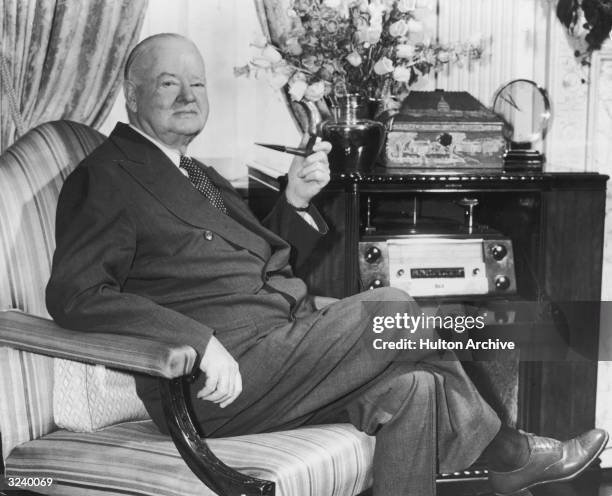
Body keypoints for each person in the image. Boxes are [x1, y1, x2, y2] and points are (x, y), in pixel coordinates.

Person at [46, 33, 607, 496]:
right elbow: (76, 295)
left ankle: (502, 456)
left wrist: (292, 200)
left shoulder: (195, 173)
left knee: (413, 390)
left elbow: (253, 260)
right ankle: (506, 450)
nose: (188, 95)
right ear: (132, 95)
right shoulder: (106, 176)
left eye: (197, 83)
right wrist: (197, 341)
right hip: (214, 384)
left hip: (280, 352)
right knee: (391, 306)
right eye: (169, 83)